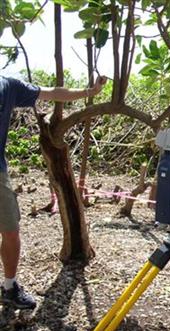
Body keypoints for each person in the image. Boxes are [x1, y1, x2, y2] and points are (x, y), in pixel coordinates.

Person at [0, 74, 107, 309]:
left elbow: (52, 92)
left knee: (10, 232)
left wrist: (89, 92)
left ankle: (9, 287)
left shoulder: (8, 86)